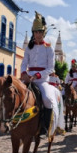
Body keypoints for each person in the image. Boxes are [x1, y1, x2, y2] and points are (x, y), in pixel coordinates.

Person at [21, 11, 60, 139]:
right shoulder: (29, 48)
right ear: (33, 33)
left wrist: (37, 75)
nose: (37, 35)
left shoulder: (49, 48)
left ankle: (44, 127)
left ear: (44, 33)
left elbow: (51, 68)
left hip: (41, 80)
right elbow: (24, 63)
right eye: (35, 32)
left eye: (40, 32)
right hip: (28, 78)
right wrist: (24, 73)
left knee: (48, 99)